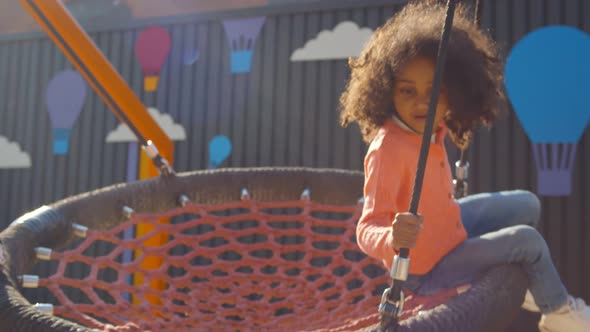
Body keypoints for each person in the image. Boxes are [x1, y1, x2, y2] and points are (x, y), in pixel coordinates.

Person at [338, 1, 590, 331]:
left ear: (453, 93)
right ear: (386, 91)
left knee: (528, 203)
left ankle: (537, 285)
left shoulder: (434, 127)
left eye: (434, 92)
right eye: (407, 90)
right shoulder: (388, 149)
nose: (420, 103)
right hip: (427, 269)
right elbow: (366, 227)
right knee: (528, 241)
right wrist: (391, 237)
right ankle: (558, 312)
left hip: (448, 226)